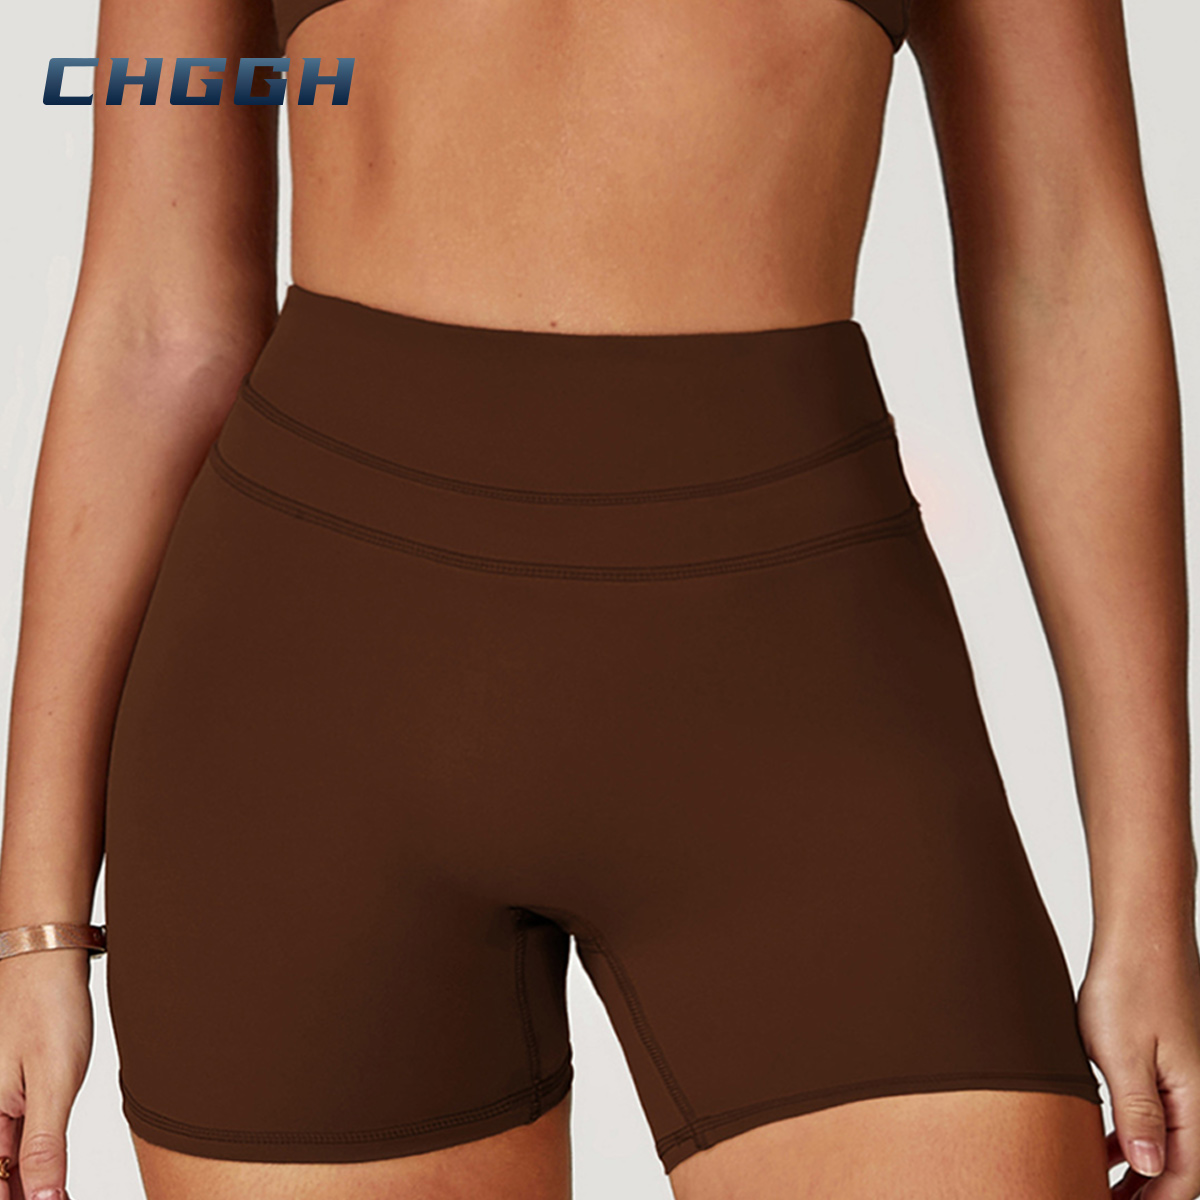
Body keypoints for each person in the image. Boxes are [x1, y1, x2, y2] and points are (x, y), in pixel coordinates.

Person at [1, 0, 1197, 1196]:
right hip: (299, 729)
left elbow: (1067, 275)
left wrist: (1152, 908)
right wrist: (33, 925)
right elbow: (154, 326)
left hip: (804, 711)